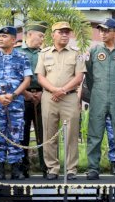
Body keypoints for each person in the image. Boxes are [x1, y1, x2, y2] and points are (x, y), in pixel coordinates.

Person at [36, 22, 85, 180]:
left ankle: (71, 169)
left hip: (69, 97)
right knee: (49, 133)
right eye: (61, 32)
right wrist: (53, 90)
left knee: (71, 134)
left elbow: (79, 76)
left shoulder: (76, 53)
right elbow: (40, 76)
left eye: (67, 32)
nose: (65, 35)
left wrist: (62, 90)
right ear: (53, 34)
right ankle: (52, 168)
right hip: (49, 98)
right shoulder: (44, 53)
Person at [85, 18, 115, 180]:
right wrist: (97, 90)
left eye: (106, 30)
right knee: (95, 132)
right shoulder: (94, 51)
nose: (102, 33)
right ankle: (93, 168)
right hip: (98, 94)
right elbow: (89, 76)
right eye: (101, 30)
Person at [0, 26, 32, 180]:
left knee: (16, 135)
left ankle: (15, 168)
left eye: (4, 36)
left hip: (16, 104)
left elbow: (27, 79)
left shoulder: (22, 58)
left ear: (12, 39)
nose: (0, 39)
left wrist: (15, 94)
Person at [18, 22, 48, 179]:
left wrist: (43, 92)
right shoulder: (17, 52)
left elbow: (50, 75)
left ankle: (46, 167)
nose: (42, 39)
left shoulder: (46, 53)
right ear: (30, 34)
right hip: (22, 97)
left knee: (43, 134)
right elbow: (14, 76)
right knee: (22, 135)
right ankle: (23, 168)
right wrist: (25, 94)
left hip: (43, 97)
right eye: (40, 35)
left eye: (43, 36)